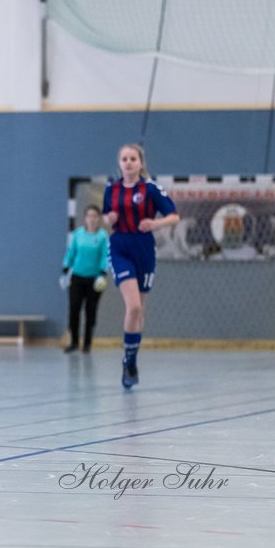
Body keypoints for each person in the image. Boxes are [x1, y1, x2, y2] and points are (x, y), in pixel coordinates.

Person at [101, 143, 178, 388]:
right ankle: (129, 360)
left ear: (141, 162)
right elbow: (105, 216)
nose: (128, 162)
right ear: (119, 163)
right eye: (124, 159)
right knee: (132, 306)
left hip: (143, 248)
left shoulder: (151, 189)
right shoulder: (111, 189)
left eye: (133, 158)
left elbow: (174, 216)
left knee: (139, 309)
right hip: (120, 246)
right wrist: (107, 219)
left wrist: (155, 225)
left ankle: (131, 359)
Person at [60, 205, 110, 353]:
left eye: (95, 216)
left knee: (91, 310)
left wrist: (102, 272)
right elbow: (71, 252)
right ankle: (74, 341)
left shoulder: (102, 236)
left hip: (94, 279)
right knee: (74, 308)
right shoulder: (78, 234)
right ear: (85, 218)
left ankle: (87, 343)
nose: (92, 219)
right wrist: (65, 267)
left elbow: (105, 255)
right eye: (89, 216)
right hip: (77, 277)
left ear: (99, 218)